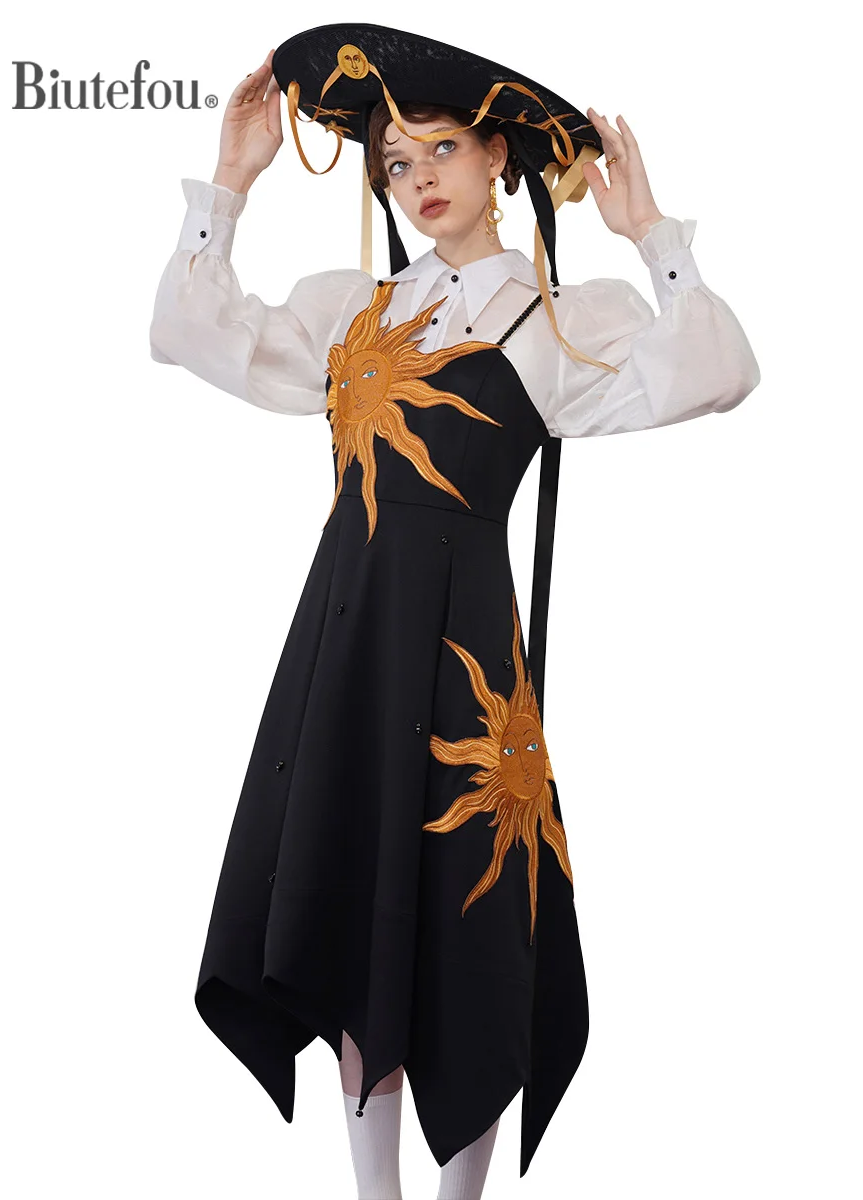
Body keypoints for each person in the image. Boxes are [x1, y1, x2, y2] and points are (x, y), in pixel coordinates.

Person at [149, 24, 761, 1200]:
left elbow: (719, 371)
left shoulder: (552, 321)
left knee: (464, 931)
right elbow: (187, 333)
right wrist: (229, 185)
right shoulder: (355, 309)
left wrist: (652, 237)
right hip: (345, 650)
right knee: (350, 919)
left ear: (497, 161)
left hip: (463, 659)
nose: (417, 177)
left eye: (441, 149)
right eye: (395, 161)